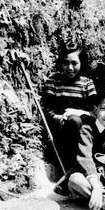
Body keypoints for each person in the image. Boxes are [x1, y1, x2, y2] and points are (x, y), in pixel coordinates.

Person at [43, 43, 97, 172]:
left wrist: (78, 113)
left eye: (74, 63)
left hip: (82, 129)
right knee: (72, 121)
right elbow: (47, 109)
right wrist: (59, 118)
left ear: (82, 63)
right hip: (61, 129)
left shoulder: (87, 83)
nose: (70, 68)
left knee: (75, 120)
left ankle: (80, 167)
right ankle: (69, 169)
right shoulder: (54, 81)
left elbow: (94, 113)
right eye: (66, 63)